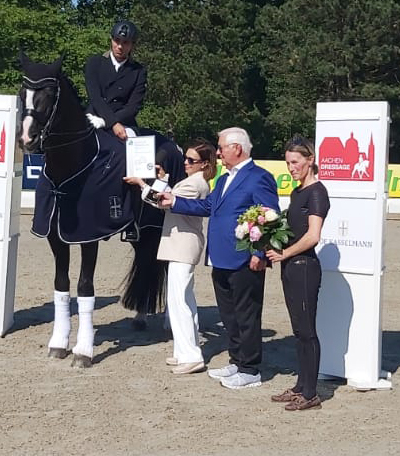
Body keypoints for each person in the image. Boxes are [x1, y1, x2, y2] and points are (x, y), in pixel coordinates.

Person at [158, 127, 279, 389]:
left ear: (237, 148)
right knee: (229, 315)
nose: (219, 151)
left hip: (245, 258)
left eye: (222, 146)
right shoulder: (224, 180)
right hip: (220, 257)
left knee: (247, 314)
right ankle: (237, 361)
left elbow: (269, 215)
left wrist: (260, 253)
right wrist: (173, 202)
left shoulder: (259, 177)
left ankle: (250, 368)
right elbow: (207, 206)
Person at [125, 140, 218, 375]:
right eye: (185, 159)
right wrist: (164, 178)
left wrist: (140, 183)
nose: (185, 163)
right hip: (181, 245)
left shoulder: (194, 184)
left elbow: (162, 201)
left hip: (182, 246)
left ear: (204, 164)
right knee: (181, 301)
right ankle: (184, 350)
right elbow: (168, 194)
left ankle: (191, 355)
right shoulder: (193, 182)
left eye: (191, 160)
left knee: (181, 302)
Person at [265, 136, 330, 411]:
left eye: (295, 162)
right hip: (291, 266)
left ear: (310, 160)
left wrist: (286, 253)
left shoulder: (317, 193)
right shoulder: (297, 192)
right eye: (288, 162)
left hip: (304, 267)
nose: (291, 168)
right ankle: (301, 385)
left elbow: (313, 236)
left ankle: (311, 393)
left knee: (307, 330)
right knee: (297, 329)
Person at [84, 20, 147, 141]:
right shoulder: (95, 63)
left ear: (132, 45)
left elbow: (133, 106)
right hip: (94, 117)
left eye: (125, 43)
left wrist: (109, 122)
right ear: (111, 40)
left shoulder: (138, 71)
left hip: (123, 122)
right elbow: (95, 97)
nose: (120, 46)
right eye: (117, 41)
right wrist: (111, 122)